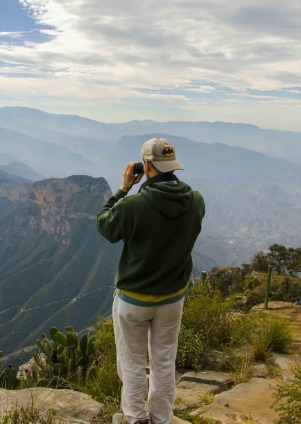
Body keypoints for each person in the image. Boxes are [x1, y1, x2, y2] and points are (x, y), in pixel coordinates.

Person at [96, 137, 205, 424]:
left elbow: (105, 225)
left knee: (132, 363)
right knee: (164, 362)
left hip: (133, 300)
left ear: (146, 165)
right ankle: (161, 418)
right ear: (173, 165)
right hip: (172, 298)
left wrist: (123, 188)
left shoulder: (134, 205)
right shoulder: (196, 200)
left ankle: (134, 418)